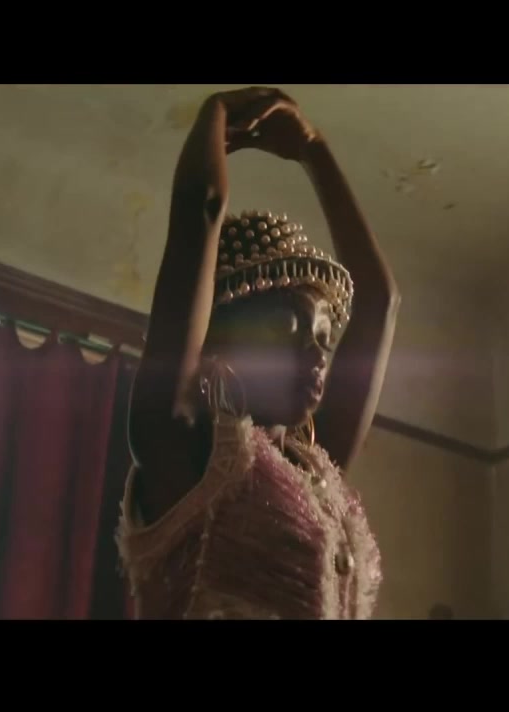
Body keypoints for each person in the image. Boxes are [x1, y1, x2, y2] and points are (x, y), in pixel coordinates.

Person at [117, 87, 401, 619]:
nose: (315, 353)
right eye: (285, 329)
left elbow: (380, 303)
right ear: (218, 339)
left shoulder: (314, 466)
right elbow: (202, 209)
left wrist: (315, 149)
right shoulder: (184, 448)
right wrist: (215, 114)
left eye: (322, 335)